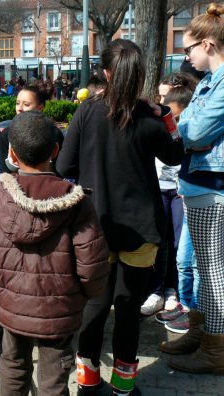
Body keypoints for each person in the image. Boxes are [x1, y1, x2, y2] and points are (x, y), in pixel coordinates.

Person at [56, 39, 184, 395]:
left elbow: (64, 165)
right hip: (142, 229)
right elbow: (176, 155)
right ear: (138, 73)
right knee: (129, 312)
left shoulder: (87, 112)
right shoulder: (151, 117)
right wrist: (167, 115)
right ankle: (124, 388)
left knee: (94, 308)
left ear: (106, 72)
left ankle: (87, 383)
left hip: (94, 227)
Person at [0, 111, 110, 396]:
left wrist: (2, 282)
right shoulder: (75, 201)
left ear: (11, 153)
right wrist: (84, 297)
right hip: (59, 309)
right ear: (55, 151)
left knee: (13, 366)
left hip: (12, 305)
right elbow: (92, 264)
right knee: (55, 377)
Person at [162, 3, 224, 375]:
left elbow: (194, 131)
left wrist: (180, 131)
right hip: (200, 183)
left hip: (211, 187)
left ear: (209, 45)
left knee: (213, 272)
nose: (187, 58)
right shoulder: (211, 82)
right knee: (203, 268)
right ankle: (203, 335)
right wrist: (185, 132)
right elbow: (191, 132)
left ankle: (216, 351)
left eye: (189, 49)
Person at [141, 79, 196, 317]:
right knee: (160, 240)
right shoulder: (157, 118)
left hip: (181, 187)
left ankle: (172, 290)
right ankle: (157, 290)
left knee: (177, 243)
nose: (162, 102)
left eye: (166, 98)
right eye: (160, 97)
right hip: (160, 185)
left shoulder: (188, 122)